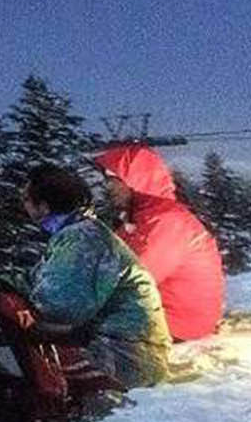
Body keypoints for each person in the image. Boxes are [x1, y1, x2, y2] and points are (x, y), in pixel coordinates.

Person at [19, 163, 173, 389]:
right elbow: (36, 281)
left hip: (124, 355)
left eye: (25, 199)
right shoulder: (80, 232)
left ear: (43, 205)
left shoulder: (82, 238)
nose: (22, 205)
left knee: (18, 359)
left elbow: (60, 309)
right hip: (129, 349)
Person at [92, 143, 226, 341]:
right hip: (160, 315)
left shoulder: (166, 220)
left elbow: (131, 278)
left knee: (66, 336)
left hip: (179, 324)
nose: (109, 187)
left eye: (114, 179)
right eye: (107, 180)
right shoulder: (141, 218)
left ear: (137, 179)